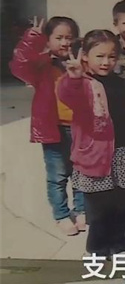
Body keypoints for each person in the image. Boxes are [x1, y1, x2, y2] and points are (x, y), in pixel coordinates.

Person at [58, 30, 125, 259]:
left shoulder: (122, 83)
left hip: (123, 154)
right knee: (99, 211)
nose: (106, 62)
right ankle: (97, 250)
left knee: (123, 206)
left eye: (111, 56)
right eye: (100, 56)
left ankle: (118, 245)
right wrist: (73, 79)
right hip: (95, 156)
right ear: (85, 56)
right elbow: (68, 96)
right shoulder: (82, 83)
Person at [9, 16, 86, 236]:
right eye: (59, 38)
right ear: (48, 40)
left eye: (69, 37)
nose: (64, 42)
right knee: (57, 175)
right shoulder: (41, 65)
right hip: (53, 129)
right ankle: (61, 215)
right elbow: (19, 65)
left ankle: (81, 210)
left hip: (80, 128)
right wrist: (31, 38)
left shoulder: (81, 62)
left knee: (81, 171)